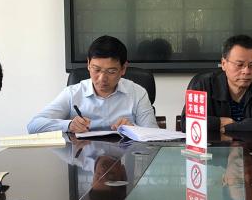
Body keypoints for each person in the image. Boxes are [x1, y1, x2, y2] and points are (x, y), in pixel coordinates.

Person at [27, 35, 156, 133]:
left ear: (123, 68)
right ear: (88, 64)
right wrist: (68, 125)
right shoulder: (73, 94)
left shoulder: (137, 93)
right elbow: (34, 125)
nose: (102, 78)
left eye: (111, 71)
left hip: (124, 157)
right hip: (83, 157)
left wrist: (134, 129)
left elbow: (154, 134)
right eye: (96, 69)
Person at [181, 35, 252, 133]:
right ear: (223, 64)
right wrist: (219, 122)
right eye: (239, 65)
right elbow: (187, 123)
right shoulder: (202, 84)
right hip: (213, 143)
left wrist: (228, 127)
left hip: (250, 143)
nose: (246, 71)